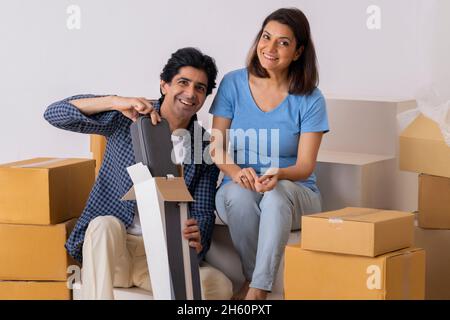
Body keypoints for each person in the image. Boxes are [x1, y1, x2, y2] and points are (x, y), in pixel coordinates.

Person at [44, 47, 232, 300]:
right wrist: (114, 101)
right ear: (164, 85)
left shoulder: (205, 146)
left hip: (160, 256)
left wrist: (197, 236)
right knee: (102, 225)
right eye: (183, 82)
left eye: (199, 88)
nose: (190, 93)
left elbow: (203, 210)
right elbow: (55, 114)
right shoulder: (129, 117)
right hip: (113, 249)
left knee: (218, 285)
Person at [209, 8, 329, 300]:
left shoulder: (311, 99)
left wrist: (279, 174)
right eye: (266, 37)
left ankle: (257, 291)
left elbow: (304, 166)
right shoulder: (233, 83)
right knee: (238, 194)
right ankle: (255, 279)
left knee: (276, 196)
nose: (270, 48)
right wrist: (237, 173)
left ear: (298, 52)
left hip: (295, 193)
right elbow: (216, 147)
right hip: (238, 190)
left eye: (283, 42)